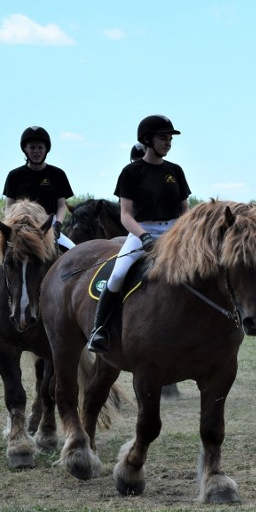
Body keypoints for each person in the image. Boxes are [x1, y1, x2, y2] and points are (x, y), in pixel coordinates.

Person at [0, 126, 75, 324]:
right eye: (32, 147)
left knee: (75, 252)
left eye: (40, 147)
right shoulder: (14, 175)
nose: (36, 151)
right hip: (18, 231)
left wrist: (57, 224)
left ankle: (74, 306)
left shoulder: (57, 174)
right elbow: (9, 208)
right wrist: (12, 229)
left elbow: (61, 206)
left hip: (48, 230)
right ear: (25, 150)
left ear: (46, 149)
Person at [87, 115, 190, 353]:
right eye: (163, 138)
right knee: (117, 275)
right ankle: (98, 329)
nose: (168, 143)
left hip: (174, 231)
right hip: (141, 231)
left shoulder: (176, 171)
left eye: (170, 138)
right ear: (147, 139)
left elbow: (185, 210)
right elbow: (125, 215)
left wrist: (183, 233)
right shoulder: (131, 172)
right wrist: (144, 236)